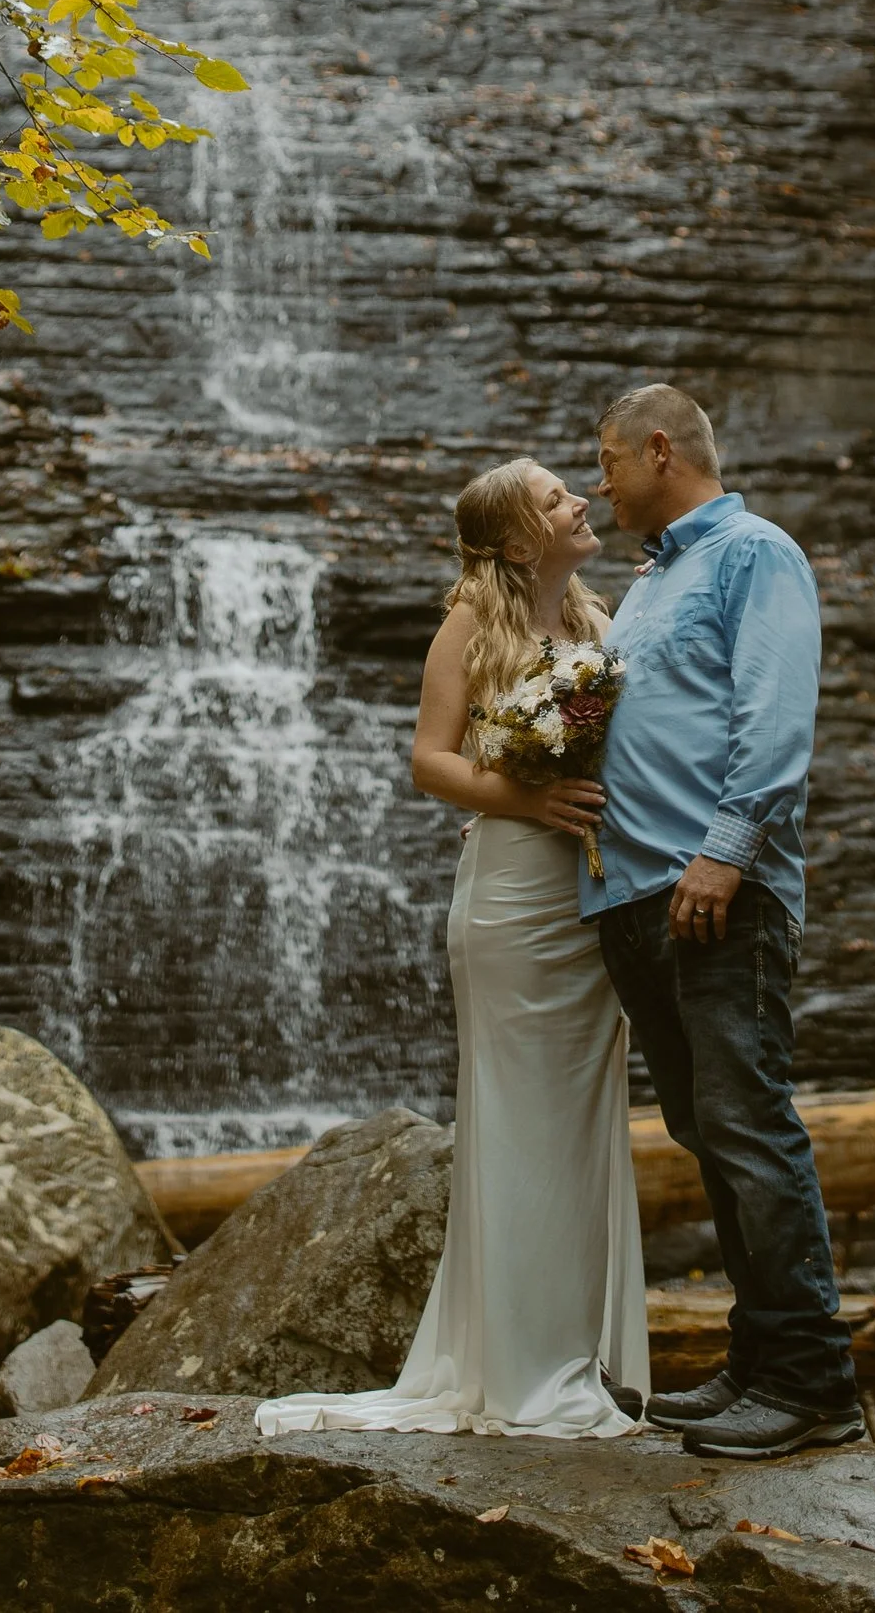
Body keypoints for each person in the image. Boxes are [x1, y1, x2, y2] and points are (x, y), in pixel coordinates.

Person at [254, 456, 650, 1438]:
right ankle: (520, 1370)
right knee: (519, 1122)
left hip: (590, 894)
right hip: (515, 898)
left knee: (582, 1122)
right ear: (517, 540)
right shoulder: (472, 623)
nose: (581, 500)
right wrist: (524, 798)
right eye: (556, 498)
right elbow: (430, 760)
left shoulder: (600, 620)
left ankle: (578, 1355)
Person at [583, 382, 863, 1459]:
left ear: (660, 448)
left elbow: (775, 711)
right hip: (636, 894)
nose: (598, 485)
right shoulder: (650, 582)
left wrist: (725, 851)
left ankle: (813, 1381)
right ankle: (759, 1359)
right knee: (710, 1131)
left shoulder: (753, 553)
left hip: (716, 892)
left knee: (748, 1122)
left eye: (608, 461)